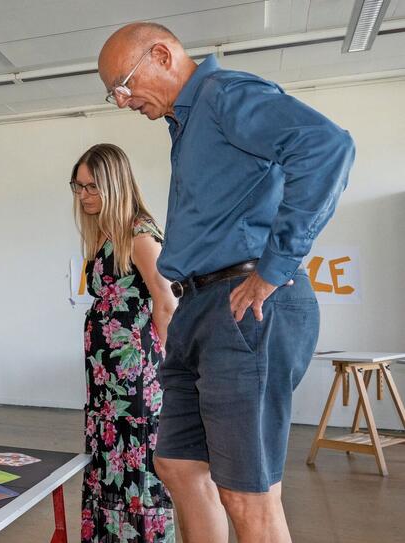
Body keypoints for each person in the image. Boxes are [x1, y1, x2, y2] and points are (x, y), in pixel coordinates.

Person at [98, 23, 354, 542]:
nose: (122, 101)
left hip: (242, 306)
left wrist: (273, 270)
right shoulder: (186, 123)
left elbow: (327, 147)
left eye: (123, 83)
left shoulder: (224, 95)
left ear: (164, 55)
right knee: (177, 465)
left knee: (248, 494)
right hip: (199, 305)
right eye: (113, 93)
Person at [71, 144, 176, 542]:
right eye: (78, 187)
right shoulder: (106, 234)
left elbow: (166, 301)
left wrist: (163, 369)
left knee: (135, 463)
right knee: (108, 462)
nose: (83, 196)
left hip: (134, 383)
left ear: (114, 184)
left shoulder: (139, 233)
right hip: (107, 385)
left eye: (92, 187)